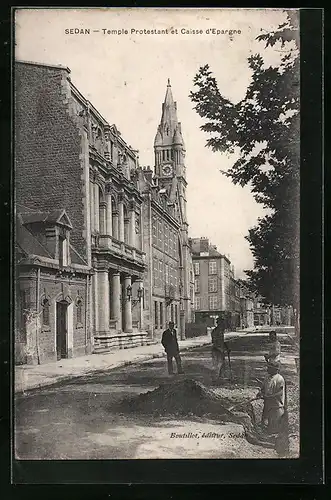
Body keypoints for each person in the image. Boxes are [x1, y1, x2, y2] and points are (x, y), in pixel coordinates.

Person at [256, 360, 285, 435]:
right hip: (267, 403)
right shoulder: (267, 377)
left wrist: (270, 397)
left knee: (275, 427)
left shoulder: (279, 379)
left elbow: (280, 392)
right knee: (265, 421)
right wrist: (260, 393)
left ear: (275, 370)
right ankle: (263, 432)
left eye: (269, 368)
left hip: (276, 405)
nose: (267, 369)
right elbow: (263, 388)